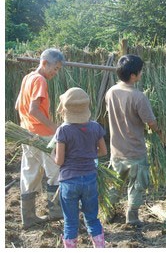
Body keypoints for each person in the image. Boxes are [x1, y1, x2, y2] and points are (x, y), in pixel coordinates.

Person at [105, 54, 160, 227]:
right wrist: (158, 130)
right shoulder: (139, 97)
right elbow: (150, 121)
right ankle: (132, 216)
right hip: (135, 150)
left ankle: (108, 212)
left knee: (116, 182)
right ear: (133, 76)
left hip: (116, 150)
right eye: (141, 71)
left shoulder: (111, 92)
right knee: (136, 185)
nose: (142, 73)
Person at [15, 48, 65, 229]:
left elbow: (18, 105)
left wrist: (27, 125)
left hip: (27, 134)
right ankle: (56, 213)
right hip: (42, 135)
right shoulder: (40, 80)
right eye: (56, 68)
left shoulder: (27, 78)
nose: (56, 72)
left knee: (30, 173)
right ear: (44, 63)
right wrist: (54, 128)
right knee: (55, 171)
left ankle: (28, 217)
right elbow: (33, 109)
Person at [54, 87, 107, 248]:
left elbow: (59, 160)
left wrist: (53, 155)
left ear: (66, 109)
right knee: (92, 218)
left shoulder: (63, 130)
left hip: (69, 181)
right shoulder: (95, 127)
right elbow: (103, 151)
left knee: (70, 222)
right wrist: (89, 155)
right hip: (90, 179)